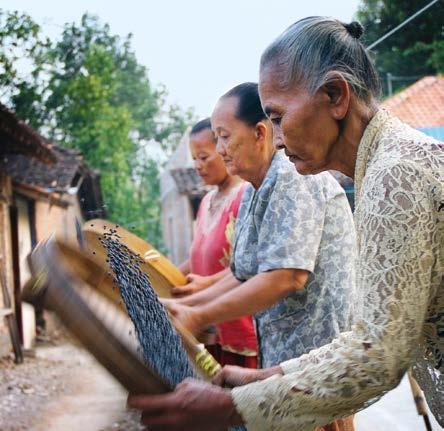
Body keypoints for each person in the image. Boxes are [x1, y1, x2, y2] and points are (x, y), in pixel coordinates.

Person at [128, 17, 443, 431]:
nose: (275, 139)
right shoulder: (380, 165)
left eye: (277, 118)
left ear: (335, 96)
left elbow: (379, 354)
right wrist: (269, 377)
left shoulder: (393, 175)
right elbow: (369, 334)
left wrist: (233, 405)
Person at [177, 118, 257, 368]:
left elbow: (251, 264)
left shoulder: (245, 196)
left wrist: (208, 284)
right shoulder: (206, 201)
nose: (197, 166)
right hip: (210, 328)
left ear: (224, 149)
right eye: (193, 159)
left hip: (239, 326)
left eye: (204, 157)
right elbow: (199, 256)